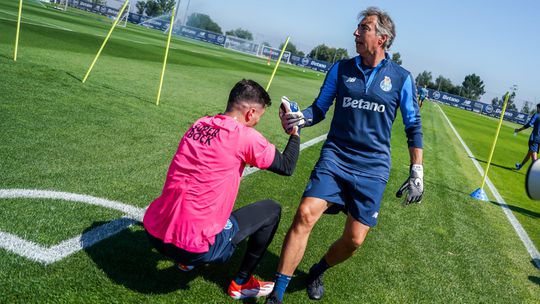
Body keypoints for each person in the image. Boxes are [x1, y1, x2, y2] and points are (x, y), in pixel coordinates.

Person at [266, 7, 424, 303]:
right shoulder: (341, 68)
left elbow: (413, 125)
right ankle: (277, 293)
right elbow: (319, 109)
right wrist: (300, 119)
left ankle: (317, 270)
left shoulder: (402, 78)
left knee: (354, 240)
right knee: (304, 214)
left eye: (364, 28)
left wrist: (417, 171)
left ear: (382, 38)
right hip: (335, 158)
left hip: (373, 168)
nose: (355, 33)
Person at [143, 79, 301, 300]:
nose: (256, 123)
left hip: (153, 231)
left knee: (204, 195)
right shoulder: (244, 136)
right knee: (271, 210)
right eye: (258, 117)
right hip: (192, 247)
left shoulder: (199, 123)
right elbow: (287, 166)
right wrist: (295, 133)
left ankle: (185, 262)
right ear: (250, 113)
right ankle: (241, 283)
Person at [514, 103, 540, 170]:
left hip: (535, 138)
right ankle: (520, 166)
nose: (536, 109)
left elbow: (529, 124)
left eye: (537, 108)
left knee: (534, 156)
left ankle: (536, 172)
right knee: (529, 153)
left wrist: (519, 130)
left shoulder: (536, 115)